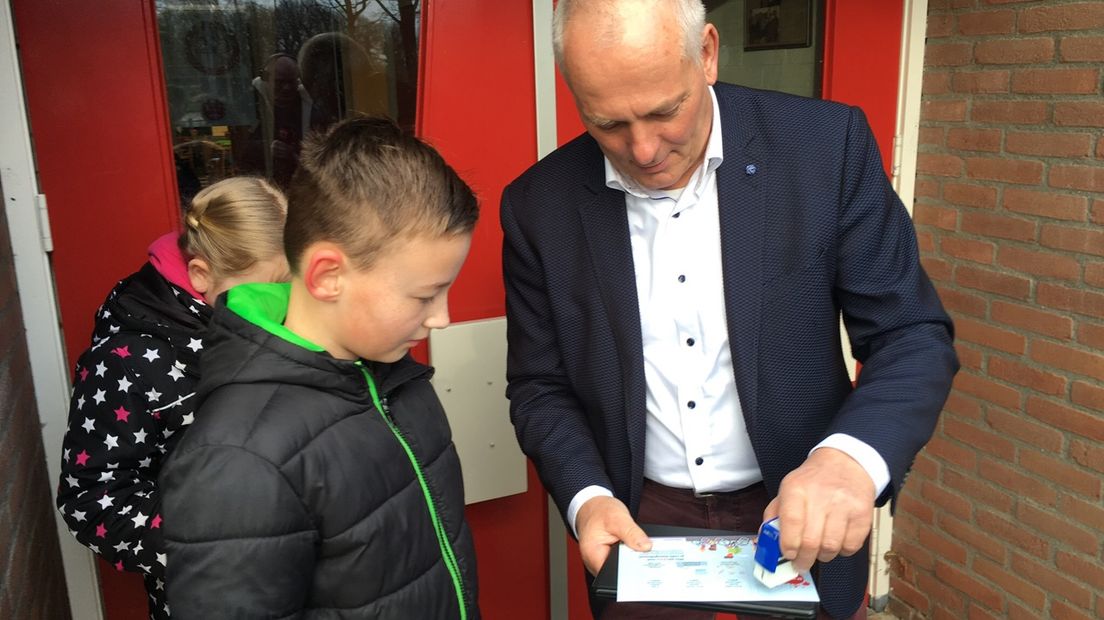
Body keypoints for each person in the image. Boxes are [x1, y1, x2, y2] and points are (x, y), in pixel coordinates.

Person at [499, 1, 959, 618]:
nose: (642, 149)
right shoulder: (538, 205)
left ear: (708, 53)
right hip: (640, 517)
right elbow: (539, 387)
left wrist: (849, 462)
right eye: (606, 123)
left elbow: (911, 333)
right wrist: (586, 496)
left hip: (798, 504)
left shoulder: (825, 147)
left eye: (665, 111)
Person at [160, 116, 481, 619]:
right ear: (328, 276)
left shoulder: (388, 372)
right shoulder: (238, 461)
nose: (442, 317)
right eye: (425, 295)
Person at [56, 176, 290, 620]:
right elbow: (91, 499)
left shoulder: (273, 319)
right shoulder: (127, 360)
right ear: (201, 275)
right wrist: (221, 540)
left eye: (288, 289)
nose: (279, 308)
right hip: (210, 594)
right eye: (263, 291)